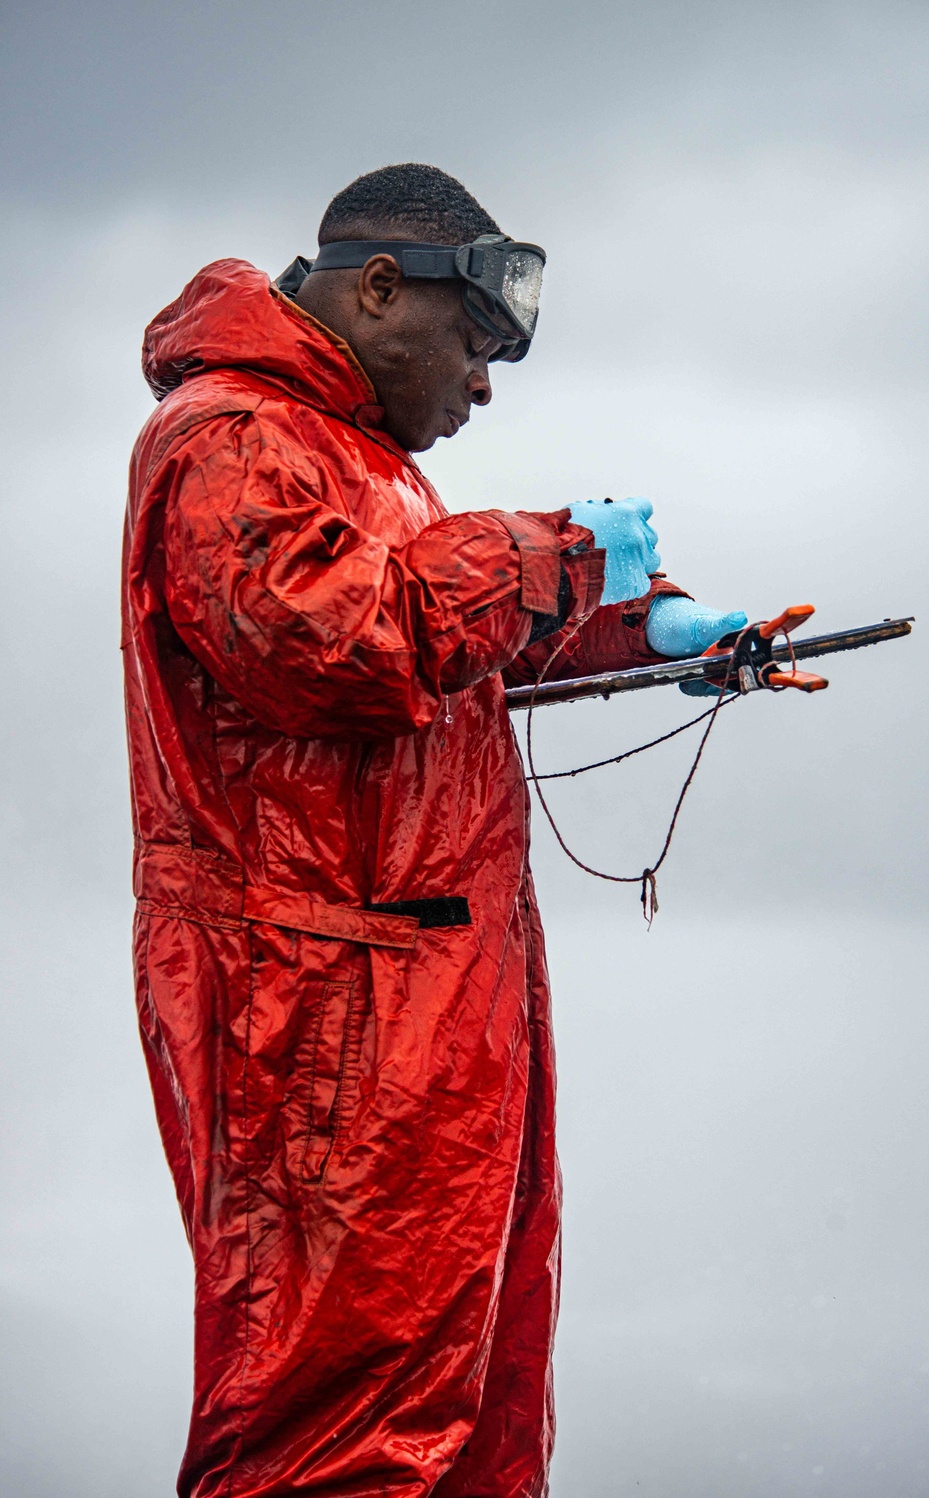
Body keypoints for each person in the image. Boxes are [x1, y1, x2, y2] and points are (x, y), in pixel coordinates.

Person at [123, 163, 744, 1498]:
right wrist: (545, 553)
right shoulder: (228, 436)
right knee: (335, 1423)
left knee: (469, 1404)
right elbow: (339, 635)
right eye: (473, 343)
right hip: (321, 1021)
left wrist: (646, 627)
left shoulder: (358, 463)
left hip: (427, 1012)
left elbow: (432, 632)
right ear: (383, 290)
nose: (483, 384)